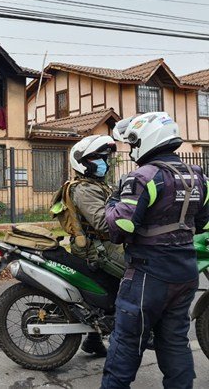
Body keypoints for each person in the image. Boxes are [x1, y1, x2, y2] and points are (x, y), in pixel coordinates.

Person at [101, 112, 209, 389]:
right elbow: (203, 222)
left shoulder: (142, 177)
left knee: (126, 342)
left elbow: (120, 227)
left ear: (146, 139)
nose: (132, 148)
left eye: (133, 142)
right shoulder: (198, 176)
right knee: (175, 342)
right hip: (185, 271)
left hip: (148, 274)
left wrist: (112, 201)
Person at [50, 134, 125, 357]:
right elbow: (102, 223)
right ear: (83, 163)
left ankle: (94, 339)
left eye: (105, 158)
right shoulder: (84, 189)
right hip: (97, 248)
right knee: (138, 272)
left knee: (107, 292)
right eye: (98, 158)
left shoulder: (95, 185)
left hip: (102, 244)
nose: (104, 163)